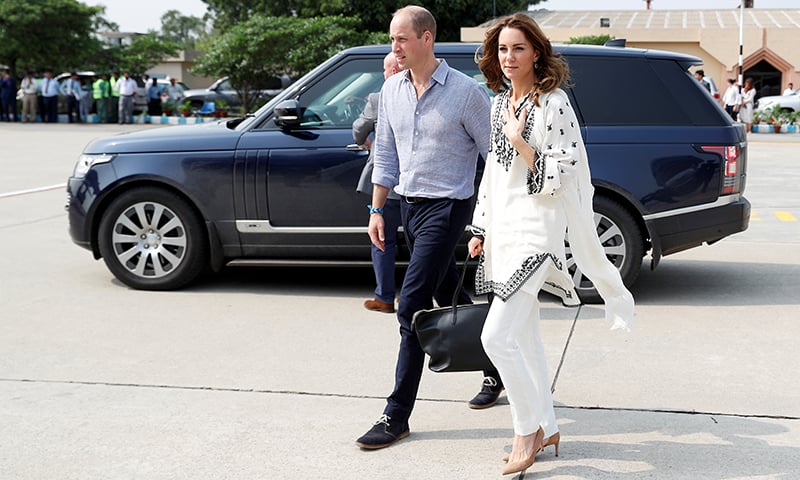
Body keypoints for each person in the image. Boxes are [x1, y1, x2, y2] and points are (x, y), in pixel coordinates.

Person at [471, 13, 634, 475]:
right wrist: (480, 228)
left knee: (495, 338)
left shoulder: (554, 104)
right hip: (503, 229)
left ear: (537, 52)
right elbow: (493, 175)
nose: (509, 58)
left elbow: (560, 178)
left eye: (518, 49)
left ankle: (528, 430)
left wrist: (522, 143)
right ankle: (548, 422)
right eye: (502, 50)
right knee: (524, 339)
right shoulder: (498, 103)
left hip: (537, 233)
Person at [355, 5, 500, 450]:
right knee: (450, 295)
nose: (393, 47)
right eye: (391, 39)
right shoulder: (392, 90)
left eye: (401, 39)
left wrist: (485, 222)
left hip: (449, 207)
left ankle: (396, 415)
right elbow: (386, 155)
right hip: (408, 206)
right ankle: (497, 365)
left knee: (411, 305)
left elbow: (496, 157)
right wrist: (377, 211)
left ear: (427, 39)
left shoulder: (465, 94)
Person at [354, 53, 403, 314]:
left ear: (391, 69)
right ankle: (413, 296)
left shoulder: (378, 98)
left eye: (385, 69)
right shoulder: (419, 92)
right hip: (415, 182)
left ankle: (384, 297)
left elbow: (358, 129)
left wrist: (367, 143)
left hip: (386, 185)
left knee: (382, 239)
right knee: (421, 244)